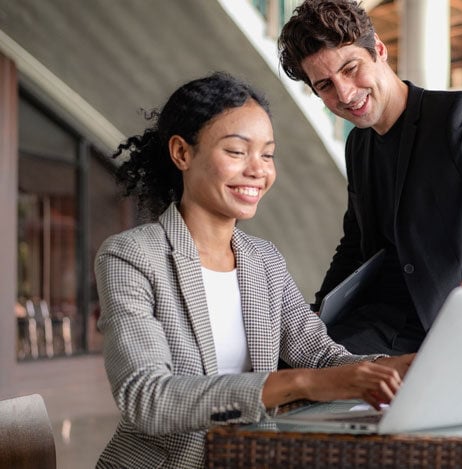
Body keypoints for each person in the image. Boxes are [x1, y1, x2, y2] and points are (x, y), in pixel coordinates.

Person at [94, 72, 413, 469]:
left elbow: (318, 356)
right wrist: (295, 382)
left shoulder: (264, 260)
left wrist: (395, 367)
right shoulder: (132, 256)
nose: (258, 170)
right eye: (236, 151)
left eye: (267, 154)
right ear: (181, 153)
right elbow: (148, 399)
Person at [278, 0, 462, 355]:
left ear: (379, 49)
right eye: (325, 86)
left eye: (350, 69)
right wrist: (320, 312)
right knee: (284, 358)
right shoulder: (358, 144)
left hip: (445, 322)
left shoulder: (454, 117)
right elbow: (355, 242)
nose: (345, 94)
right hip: (377, 321)